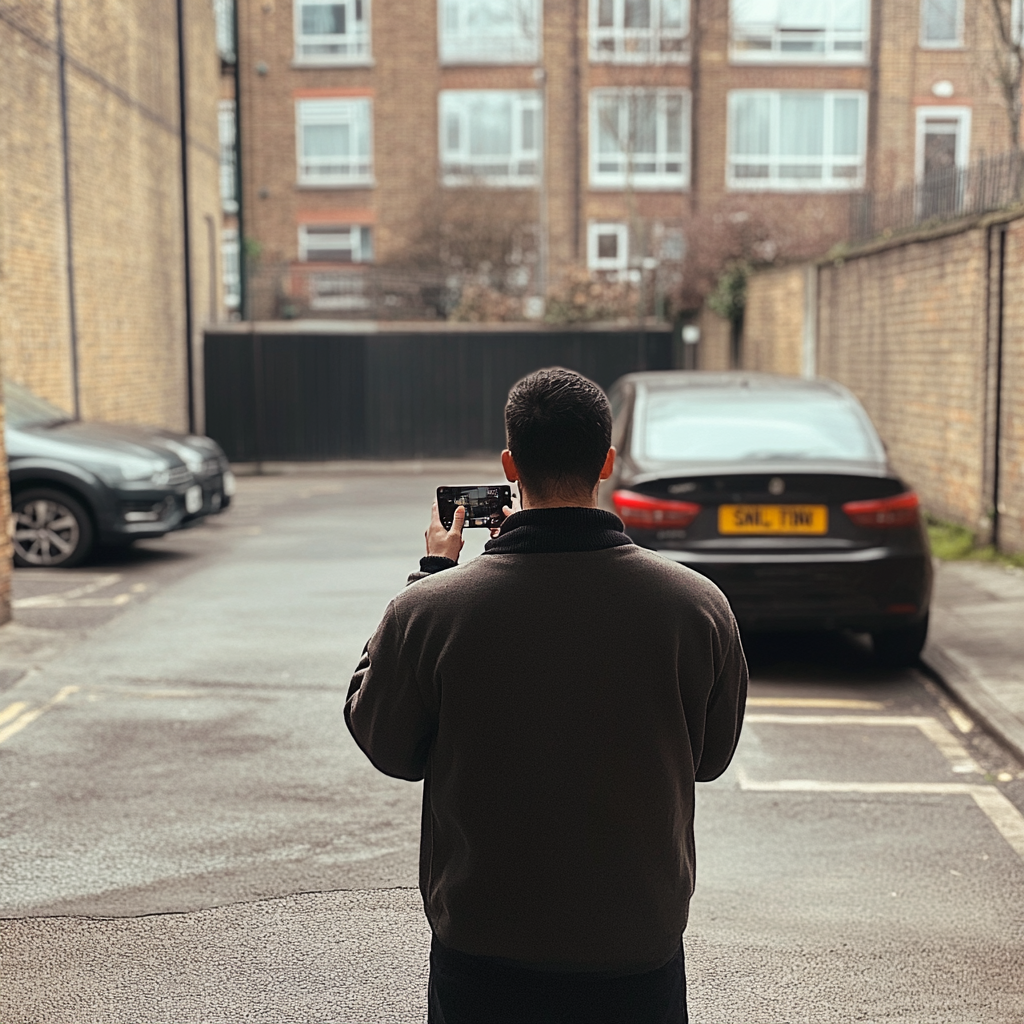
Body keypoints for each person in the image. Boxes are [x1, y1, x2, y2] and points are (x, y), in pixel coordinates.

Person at [345, 367, 748, 1024]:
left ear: (509, 465)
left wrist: (431, 575)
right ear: (608, 462)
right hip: (635, 948)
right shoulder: (697, 607)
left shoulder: (433, 611)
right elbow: (710, 759)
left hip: (485, 952)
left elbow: (386, 742)